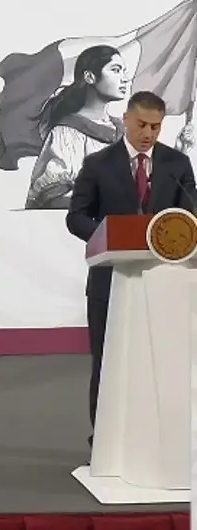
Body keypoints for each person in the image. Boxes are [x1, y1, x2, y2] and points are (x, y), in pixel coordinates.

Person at [66, 90, 197, 446]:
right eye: (141, 124)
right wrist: (108, 237)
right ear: (126, 119)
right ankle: (104, 442)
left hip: (163, 281)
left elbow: (190, 215)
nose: (148, 133)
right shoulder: (98, 164)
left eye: (156, 127)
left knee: (160, 362)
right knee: (108, 362)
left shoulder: (177, 164)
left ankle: (158, 441)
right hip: (110, 280)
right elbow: (76, 216)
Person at [26, 45, 128, 209]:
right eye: (115, 70)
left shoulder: (126, 131)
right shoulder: (67, 133)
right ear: (90, 77)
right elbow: (52, 194)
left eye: (124, 71)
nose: (124, 78)